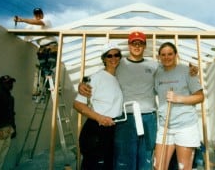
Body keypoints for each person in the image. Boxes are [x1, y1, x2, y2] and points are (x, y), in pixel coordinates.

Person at [78, 31, 199, 170]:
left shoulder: (154, 65)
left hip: (149, 118)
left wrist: (192, 70)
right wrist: (83, 83)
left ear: (144, 46)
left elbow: (170, 67)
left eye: (140, 43)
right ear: (129, 45)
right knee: (125, 161)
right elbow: (102, 73)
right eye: (133, 43)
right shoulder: (118, 63)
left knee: (146, 160)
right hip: (125, 120)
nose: (137, 46)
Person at [153, 42, 204, 170]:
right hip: (165, 126)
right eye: (163, 55)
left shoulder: (187, 71)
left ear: (176, 55)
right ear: (159, 57)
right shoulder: (157, 73)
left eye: (170, 54)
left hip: (185, 126)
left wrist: (179, 98)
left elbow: (200, 97)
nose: (167, 57)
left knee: (184, 167)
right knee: (158, 167)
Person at [73, 42, 123, 170]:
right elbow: (78, 104)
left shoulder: (118, 78)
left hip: (112, 129)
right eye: (109, 56)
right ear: (104, 59)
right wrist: (99, 118)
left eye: (116, 55)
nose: (113, 58)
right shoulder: (96, 78)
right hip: (97, 130)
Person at [14, 8, 57, 94]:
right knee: (43, 65)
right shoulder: (30, 26)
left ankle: (50, 78)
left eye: (39, 14)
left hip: (52, 45)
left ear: (42, 15)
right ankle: (48, 82)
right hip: (42, 47)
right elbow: (26, 37)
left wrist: (22, 20)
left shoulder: (46, 20)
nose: (38, 16)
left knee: (50, 62)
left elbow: (38, 22)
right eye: (36, 14)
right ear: (34, 15)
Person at [0, 75, 17, 170]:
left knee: (2, 155)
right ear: (2, 84)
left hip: (8, 130)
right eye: (8, 83)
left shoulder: (11, 98)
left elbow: (12, 114)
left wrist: (14, 128)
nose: (11, 85)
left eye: (11, 83)